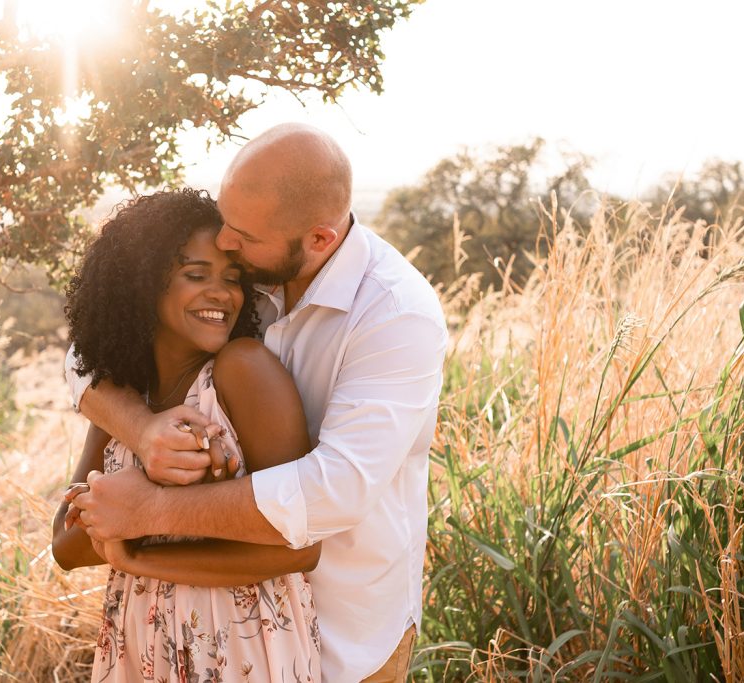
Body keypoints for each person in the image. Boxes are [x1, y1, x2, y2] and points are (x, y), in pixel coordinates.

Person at [66, 123, 448, 682]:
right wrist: (144, 431)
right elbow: (87, 352)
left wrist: (148, 512)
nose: (225, 241)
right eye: (225, 219)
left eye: (240, 235)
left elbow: (333, 491)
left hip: (347, 636)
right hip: (184, 635)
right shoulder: (248, 269)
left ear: (318, 239)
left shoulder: (395, 314)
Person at [52, 189, 321, 682]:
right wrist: (126, 508)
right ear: (141, 287)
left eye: (232, 279)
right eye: (195, 275)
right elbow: (65, 544)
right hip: (142, 641)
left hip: (241, 647)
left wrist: (134, 545)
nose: (222, 293)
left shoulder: (243, 371)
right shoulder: (125, 398)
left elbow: (300, 548)